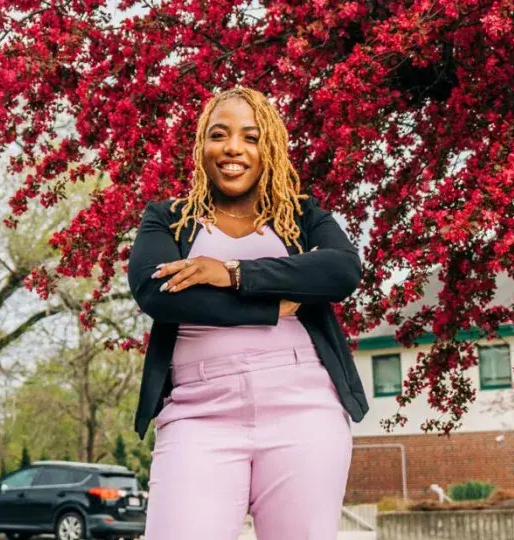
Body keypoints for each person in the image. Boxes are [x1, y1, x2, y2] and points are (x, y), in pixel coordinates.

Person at [127, 86, 369, 539]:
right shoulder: (168, 219)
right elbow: (157, 293)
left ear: (269, 148)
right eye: (219, 135)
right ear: (201, 145)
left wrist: (232, 273)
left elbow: (341, 270)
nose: (233, 148)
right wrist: (273, 307)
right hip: (198, 414)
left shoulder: (302, 217)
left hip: (303, 409)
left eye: (251, 137)